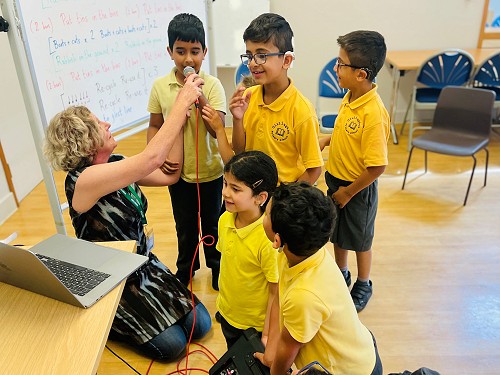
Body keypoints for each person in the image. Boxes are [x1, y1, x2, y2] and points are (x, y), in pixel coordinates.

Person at [43, 74, 212, 360]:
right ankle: (105, 319)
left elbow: (169, 174)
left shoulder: (118, 165)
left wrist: (180, 118)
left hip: (143, 265)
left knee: (201, 325)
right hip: (113, 279)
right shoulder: (82, 181)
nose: (107, 125)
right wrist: (181, 100)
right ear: (85, 143)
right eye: (99, 124)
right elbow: (151, 159)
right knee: (173, 347)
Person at [256, 182, 383, 375]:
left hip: (348, 370)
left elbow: (288, 348)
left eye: (265, 215)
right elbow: (280, 300)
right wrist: (269, 353)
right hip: (357, 348)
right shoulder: (306, 251)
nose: (263, 216)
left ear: (277, 240)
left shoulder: (303, 295)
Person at [147, 13, 226, 289]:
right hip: (178, 175)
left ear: (204, 52)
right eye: (181, 51)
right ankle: (186, 269)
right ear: (170, 52)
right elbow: (155, 126)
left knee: (213, 226)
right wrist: (157, 157)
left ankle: (218, 269)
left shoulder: (213, 85)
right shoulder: (160, 87)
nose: (188, 59)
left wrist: (197, 93)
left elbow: (219, 125)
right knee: (185, 226)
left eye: (195, 51)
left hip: (211, 172)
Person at [320, 30, 389, 312]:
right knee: (338, 233)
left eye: (341, 64)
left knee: (360, 238)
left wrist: (348, 192)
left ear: (361, 74)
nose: (336, 69)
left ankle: (363, 282)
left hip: (357, 189)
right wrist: (327, 139)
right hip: (337, 180)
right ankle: (341, 271)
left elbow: (377, 166)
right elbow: (347, 134)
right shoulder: (350, 97)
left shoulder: (373, 113)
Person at [229, 13, 323, 184]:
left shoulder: (302, 110)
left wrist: (285, 200)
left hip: (282, 200)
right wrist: (237, 119)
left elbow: (314, 169)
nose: (252, 63)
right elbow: (239, 150)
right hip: (250, 196)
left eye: (262, 55)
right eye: (249, 56)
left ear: (286, 60)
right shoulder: (248, 97)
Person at [215, 151, 279, 349]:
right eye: (225, 184)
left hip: (255, 326)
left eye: (235, 189)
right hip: (227, 313)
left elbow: (274, 293)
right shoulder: (225, 219)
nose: (225, 192)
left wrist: (267, 335)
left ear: (260, 197)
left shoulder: (266, 239)